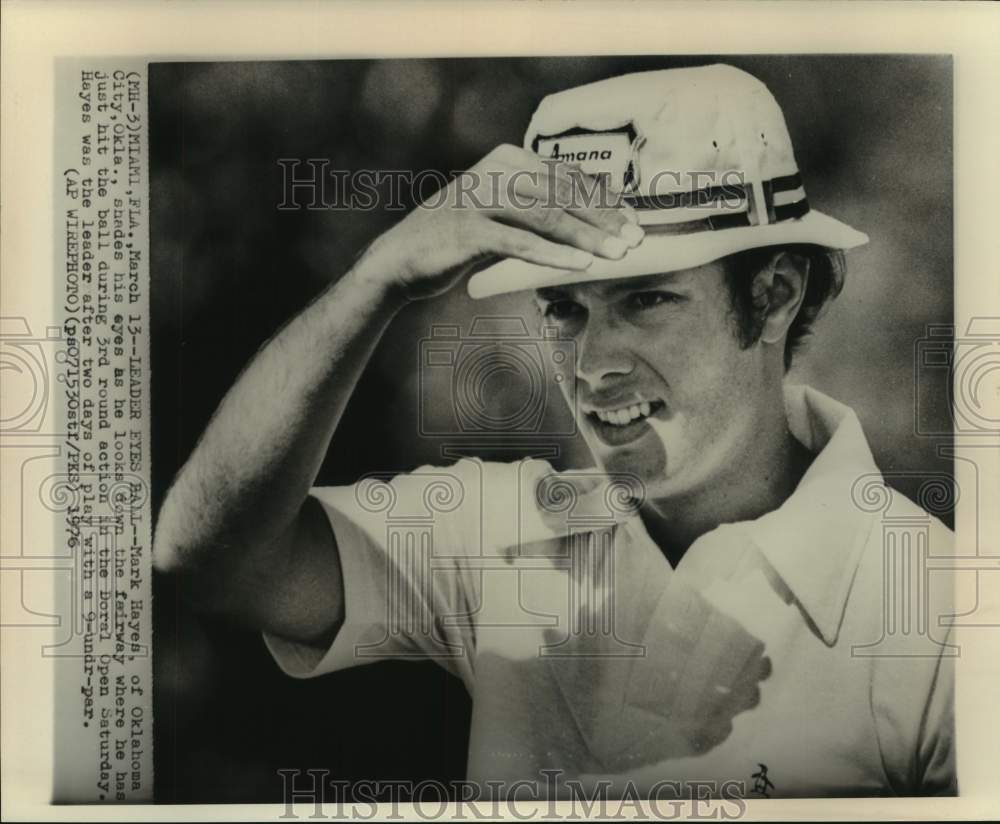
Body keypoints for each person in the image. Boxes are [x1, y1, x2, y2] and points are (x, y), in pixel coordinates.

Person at [153, 64, 956, 798]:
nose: (594, 363)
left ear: (776, 294)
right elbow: (206, 558)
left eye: (645, 300)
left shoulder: (947, 609)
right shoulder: (500, 529)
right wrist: (379, 279)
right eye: (565, 308)